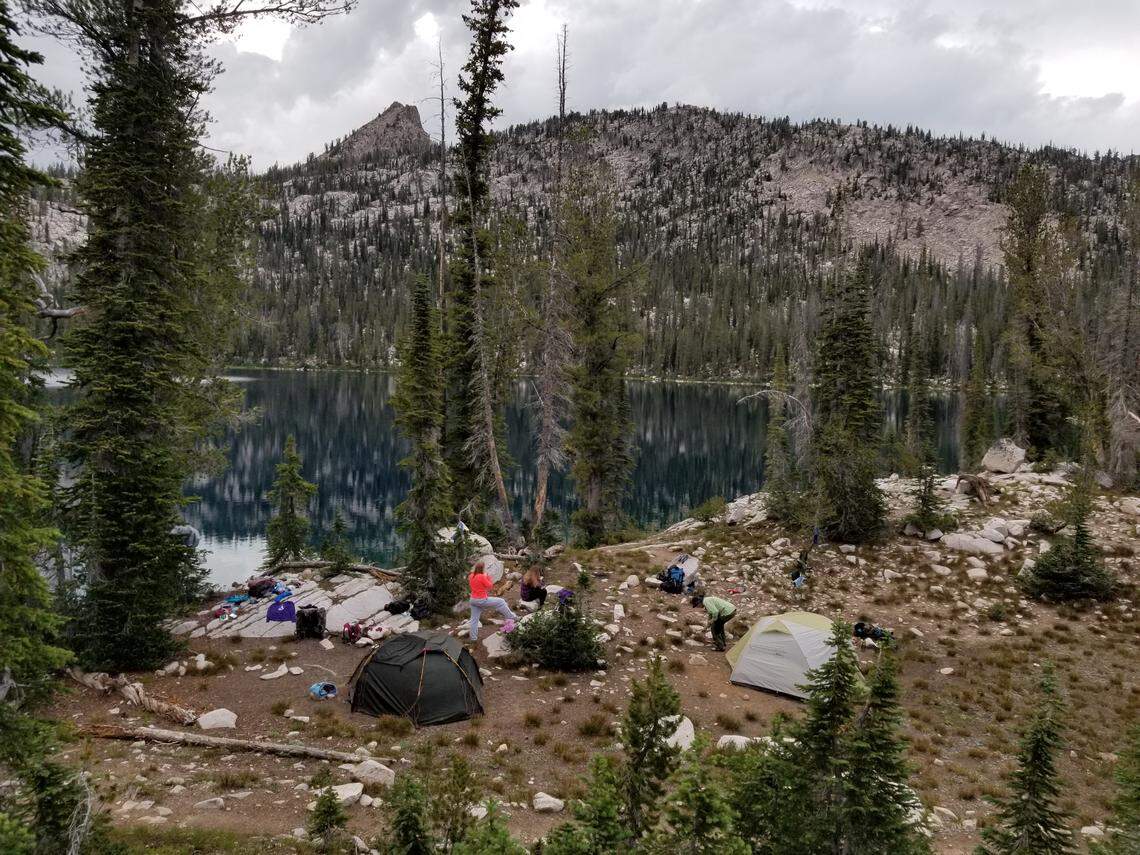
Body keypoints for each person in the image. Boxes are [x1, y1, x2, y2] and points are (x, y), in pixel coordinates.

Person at [468, 560, 517, 642]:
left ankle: (473, 639)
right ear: (483, 568)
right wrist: (487, 577)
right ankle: (511, 617)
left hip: (473, 600)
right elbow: (490, 586)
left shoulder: (471, 576)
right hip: (481, 600)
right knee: (501, 601)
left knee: (474, 620)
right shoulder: (482, 576)